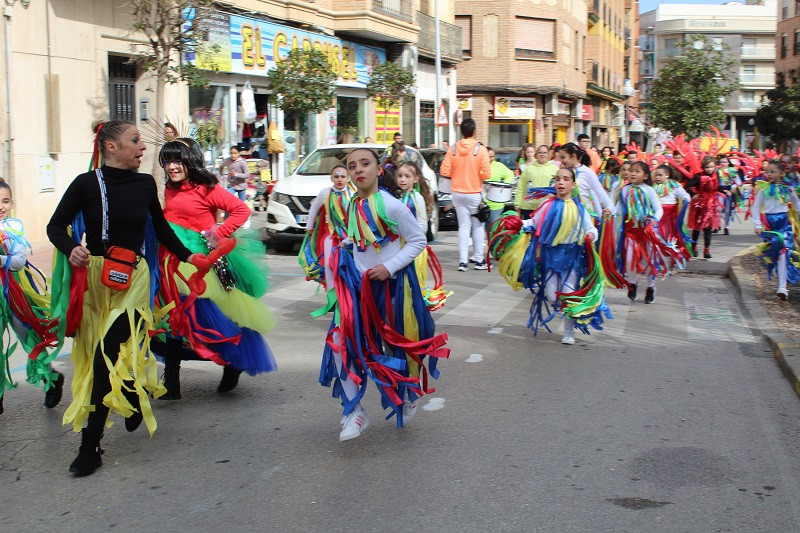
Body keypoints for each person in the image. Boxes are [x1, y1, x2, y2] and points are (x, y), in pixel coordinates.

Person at [47, 120, 206, 476]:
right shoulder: (86, 184)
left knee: (106, 357)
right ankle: (131, 393)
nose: (143, 147)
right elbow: (55, 226)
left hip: (134, 279)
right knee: (96, 360)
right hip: (95, 281)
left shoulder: (145, 183)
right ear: (111, 147)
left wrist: (188, 256)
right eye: (135, 141)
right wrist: (72, 247)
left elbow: (161, 228)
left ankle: (89, 447)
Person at [320, 148, 449, 441]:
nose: (358, 170)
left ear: (379, 170)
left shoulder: (392, 205)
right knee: (340, 341)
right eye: (352, 166)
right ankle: (354, 411)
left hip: (392, 290)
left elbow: (417, 240)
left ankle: (408, 393)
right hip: (358, 290)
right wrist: (344, 250)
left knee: (393, 347)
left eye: (365, 164)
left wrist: (388, 268)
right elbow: (362, 241)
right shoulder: (353, 204)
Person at [155, 138, 277, 400]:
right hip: (173, 260)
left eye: (177, 160)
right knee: (172, 318)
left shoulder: (206, 187)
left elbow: (240, 210)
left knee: (211, 316)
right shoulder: (169, 188)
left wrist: (217, 234)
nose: (172, 167)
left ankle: (233, 363)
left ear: (190, 161)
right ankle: (172, 383)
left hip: (200, 262)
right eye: (168, 161)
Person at [489, 167, 607, 345]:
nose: (561, 182)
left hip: (572, 257)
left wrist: (591, 235)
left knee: (569, 293)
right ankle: (565, 311)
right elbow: (534, 223)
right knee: (553, 296)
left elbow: (590, 228)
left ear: (573, 184)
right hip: (550, 257)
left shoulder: (580, 208)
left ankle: (568, 331)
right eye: (558, 178)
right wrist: (518, 224)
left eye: (566, 179)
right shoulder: (547, 205)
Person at [0, 179, 63, 416]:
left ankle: (52, 379)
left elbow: (18, 261)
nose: (1, 206)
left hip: (15, 291)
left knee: (28, 338)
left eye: (5, 200)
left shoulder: (13, 226)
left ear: (12, 202)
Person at [615, 161, 684, 304]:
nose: (632, 173)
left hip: (647, 233)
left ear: (646, 176)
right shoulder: (624, 190)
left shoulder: (649, 190)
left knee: (650, 262)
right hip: (631, 232)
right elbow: (620, 207)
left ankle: (650, 287)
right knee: (629, 260)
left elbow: (658, 209)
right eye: (630, 170)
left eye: (637, 171)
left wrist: (655, 219)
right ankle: (632, 283)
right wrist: (611, 211)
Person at [440, 118, 491, 271]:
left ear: (461, 132)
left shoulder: (453, 149)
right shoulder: (480, 149)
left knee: (463, 226)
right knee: (477, 225)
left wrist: (457, 173)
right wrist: (476, 174)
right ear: (475, 132)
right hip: (474, 192)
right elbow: (487, 174)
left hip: (457, 192)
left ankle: (462, 262)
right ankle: (479, 260)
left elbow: (444, 171)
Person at [752, 160, 800, 300]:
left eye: (772, 171)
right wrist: (757, 225)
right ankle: (777, 269)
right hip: (769, 224)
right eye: (767, 172)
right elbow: (755, 207)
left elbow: (796, 202)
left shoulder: (788, 189)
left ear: (781, 173)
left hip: (784, 223)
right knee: (775, 252)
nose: (769, 174)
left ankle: (782, 287)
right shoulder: (763, 189)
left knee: (784, 252)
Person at [301, 164, 353, 291]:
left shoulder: (353, 194)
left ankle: (347, 292)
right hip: (330, 235)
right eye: (336, 176)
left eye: (343, 176)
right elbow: (314, 208)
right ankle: (331, 293)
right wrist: (309, 226)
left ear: (348, 178)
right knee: (328, 264)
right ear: (331, 179)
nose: (339, 179)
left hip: (349, 236)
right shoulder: (325, 193)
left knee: (347, 264)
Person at [556, 143, 613, 219]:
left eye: (563, 157)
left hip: (583, 214)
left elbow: (599, 190)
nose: (561, 161)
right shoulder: (563, 172)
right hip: (565, 212)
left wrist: (610, 207)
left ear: (573, 156)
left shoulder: (586, 172)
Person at [653, 164, 692, 263]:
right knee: (658, 239)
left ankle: (675, 262)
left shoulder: (674, 185)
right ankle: (660, 262)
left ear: (667, 175)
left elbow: (686, 196)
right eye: (656, 175)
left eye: (660, 175)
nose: (657, 177)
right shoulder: (653, 186)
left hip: (670, 218)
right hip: (658, 217)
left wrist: (685, 201)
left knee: (671, 239)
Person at [684, 156, 720, 259]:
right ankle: (694, 245)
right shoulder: (698, 176)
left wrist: (725, 190)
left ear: (714, 167)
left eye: (711, 167)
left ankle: (707, 249)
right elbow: (687, 187)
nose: (709, 169)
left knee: (708, 228)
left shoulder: (716, 176)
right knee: (697, 228)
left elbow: (718, 187)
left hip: (711, 205)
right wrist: (693, 194)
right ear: (703, 167)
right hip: (700, 205)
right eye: (707, 167)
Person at [515, 144, 558, 219]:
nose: (542, 154)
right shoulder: (529, 169)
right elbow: (521, 186)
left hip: (547, 207)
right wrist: (517, 204)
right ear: (536, 154)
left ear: (549, 154)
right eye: (540, 152)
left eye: (544, 152)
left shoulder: (555, 169)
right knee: (529, 230)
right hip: (529, 207)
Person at [484, 147, 516, 229]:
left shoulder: (499, 166)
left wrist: (504, 186)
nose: (491, 158)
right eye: (489, 156)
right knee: (481, 227)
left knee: (493, 227)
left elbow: (510, 174)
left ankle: (493, 241)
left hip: (496, 203)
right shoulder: (477, 165)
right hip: (481, 202)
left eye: (492, 156)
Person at [716, 154, 742, 235]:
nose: (723, 164)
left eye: (725, 162)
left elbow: (739, 182)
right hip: (720, 191)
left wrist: (733, 187)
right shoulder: (717, 171)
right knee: (718, 209)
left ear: (728, 163)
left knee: (727, 210)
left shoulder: (732, 171)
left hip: (729, 192)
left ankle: (726, 227)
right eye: (721, 162)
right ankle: (717, 225)